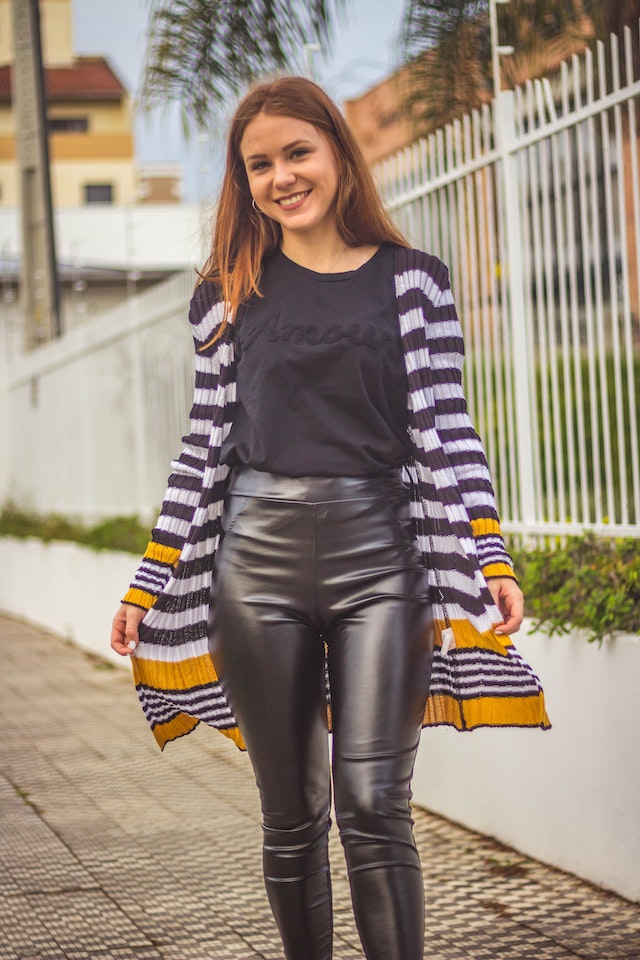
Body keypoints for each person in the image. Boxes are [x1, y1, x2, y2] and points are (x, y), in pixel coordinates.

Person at [111, 76, 549, 960]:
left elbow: (443, 425)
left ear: (340, 157)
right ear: (245, 181)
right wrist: (149, 579)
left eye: (297, 152)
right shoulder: (225, 294)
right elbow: (203, 447)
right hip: (254, 570)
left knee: (374, 806)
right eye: (259, 164)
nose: (282, 176)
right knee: (291, 816)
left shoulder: (414, 282)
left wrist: (489, 557)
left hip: (381, 563)